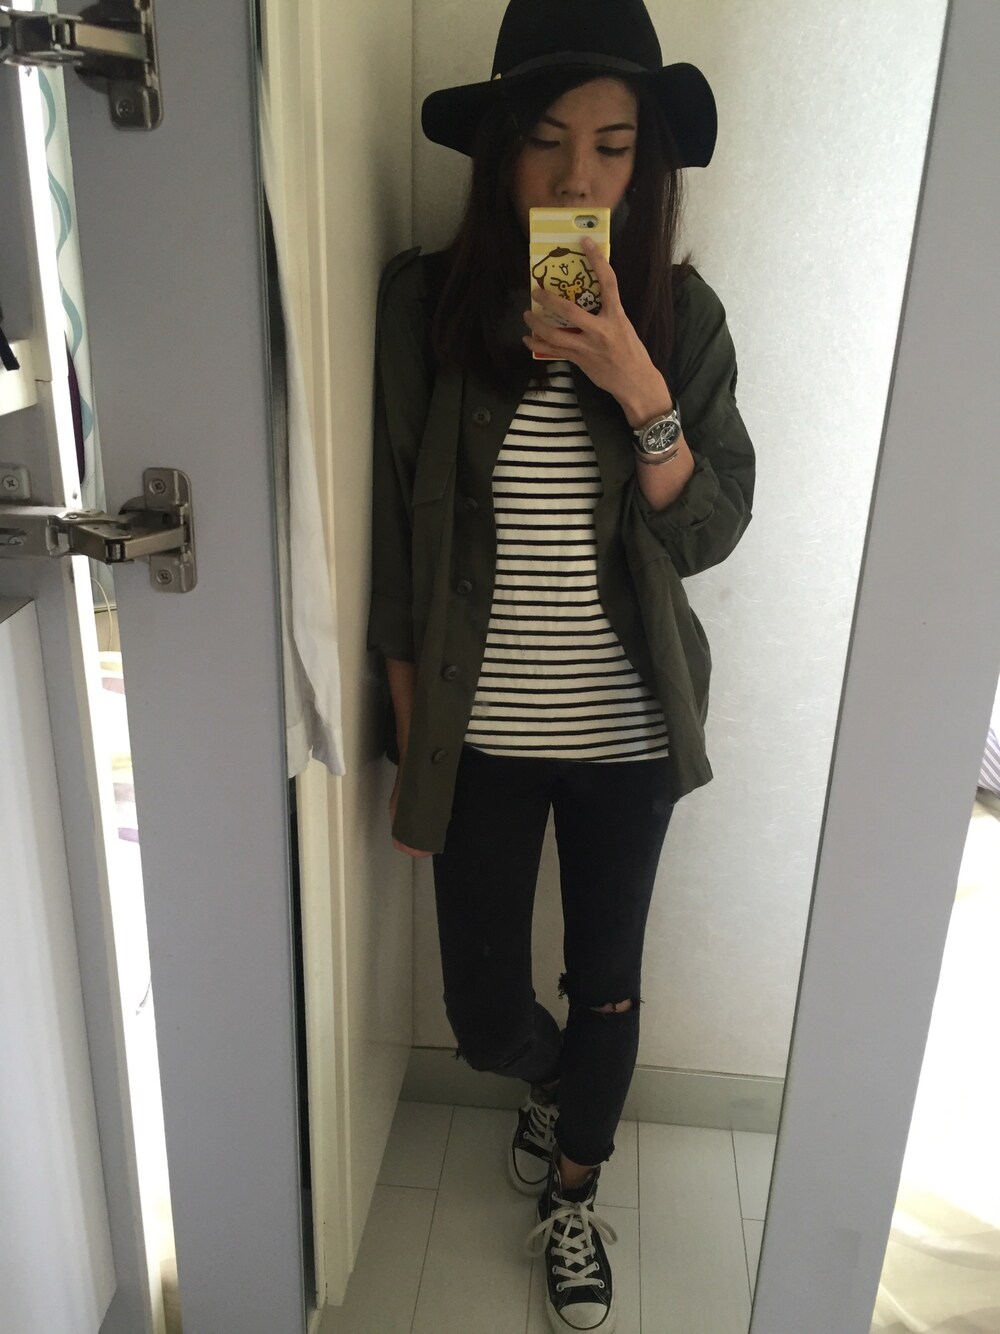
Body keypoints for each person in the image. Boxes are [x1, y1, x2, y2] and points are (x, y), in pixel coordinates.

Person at [367, 2, 754, 1329]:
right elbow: (394, 545)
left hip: (628, 736)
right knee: (483, 1010)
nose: (579, 175)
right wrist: (410, 747)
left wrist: (638, 382)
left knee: (609, 981)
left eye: (613, 145)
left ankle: (577, 1184)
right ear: (500, 152)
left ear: (647, 164)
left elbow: (711, 530)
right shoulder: (422, 306)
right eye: (546, 140)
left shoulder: (683, 318)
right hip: (477, 734)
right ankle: (551, 1086)